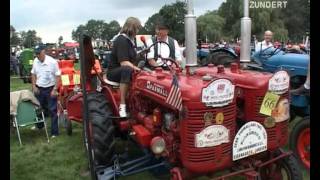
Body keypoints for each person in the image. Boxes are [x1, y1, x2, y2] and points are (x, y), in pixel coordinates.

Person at [107, 17, 142, 117]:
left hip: (124, 69)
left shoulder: (130, 41)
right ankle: (122, 105)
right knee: (127, 69)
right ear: (131, 28)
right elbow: (124, 62)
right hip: (114, 72)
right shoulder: (121, 40)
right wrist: (137, 69)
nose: (137, 31)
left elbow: (132, 59)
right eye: (137, 28)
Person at [31, 45, 61, 137]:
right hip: (39, 88)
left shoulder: (52, 62)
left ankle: (54, 133)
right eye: (36, 53)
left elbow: (58, 76)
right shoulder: (35, 61)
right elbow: (33, 74)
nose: (37, 55)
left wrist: (55, 89)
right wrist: (34, 86)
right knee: (38, 108)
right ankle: (39, 126)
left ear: (43, 52)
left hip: (50, 88)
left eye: (38, 53)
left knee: (52, 110)